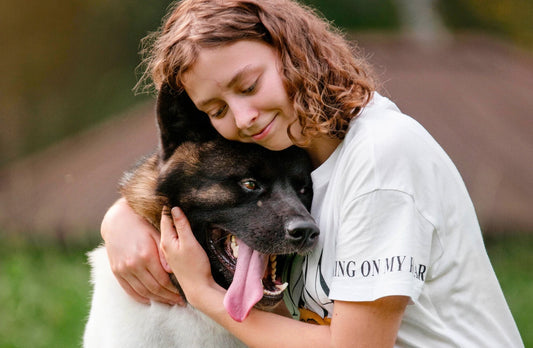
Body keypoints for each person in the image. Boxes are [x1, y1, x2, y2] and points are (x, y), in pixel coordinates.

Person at [100, 0, 524, 346]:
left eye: (248, 86)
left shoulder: (380, 155)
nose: (243, 117)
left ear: (292, 50)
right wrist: (123, 217)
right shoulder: (292, 153)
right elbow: (199, 173)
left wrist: (204, 295)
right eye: (217, 110)